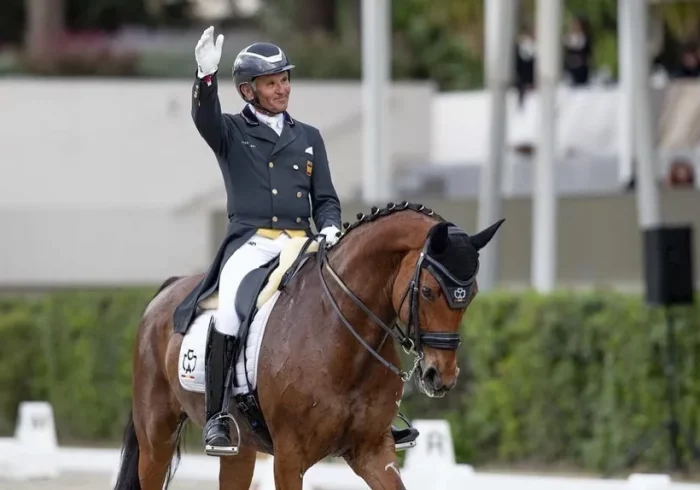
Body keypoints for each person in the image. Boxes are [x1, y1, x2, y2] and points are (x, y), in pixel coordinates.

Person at [186, 26, 418, 456]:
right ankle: (218, 416)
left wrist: (330, 225)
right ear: (247, 91)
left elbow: (325, 198)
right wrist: (204, 77)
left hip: (305, 242)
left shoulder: (308, 137)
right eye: (272, 83)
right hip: (253, 243)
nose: (283, 88)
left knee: (357, 304)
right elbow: (204, 119)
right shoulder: (232, 132)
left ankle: (381, 410)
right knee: (232, 311)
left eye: (285, 79)